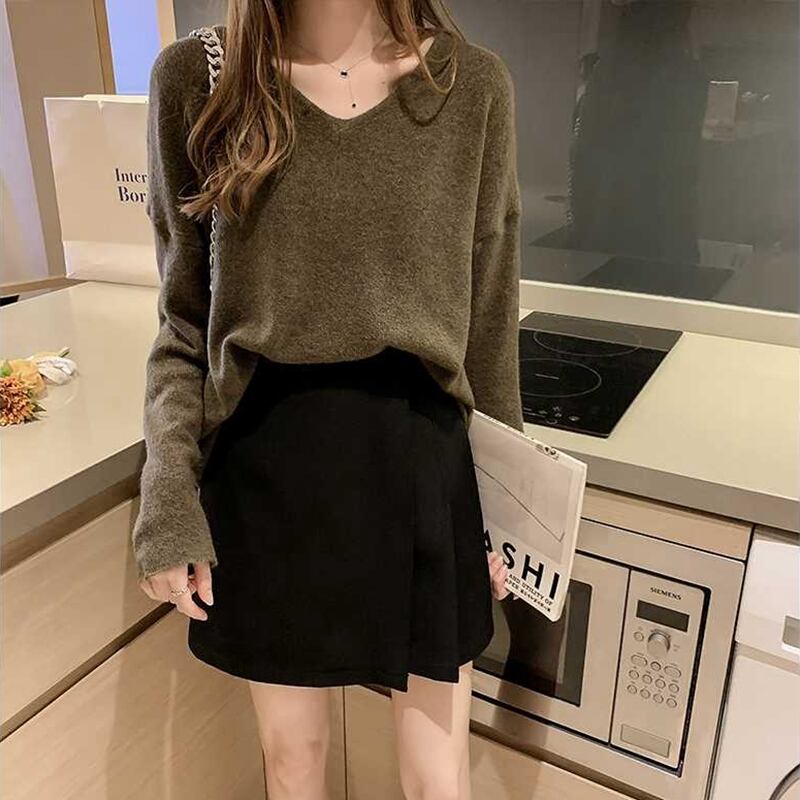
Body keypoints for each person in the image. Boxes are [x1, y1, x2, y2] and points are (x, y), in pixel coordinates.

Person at [132, 1, 523, 797]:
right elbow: (184, 322)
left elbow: (489, 321)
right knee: (293, 762)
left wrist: (513, 510)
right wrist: (167, 490)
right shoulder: (199, 80)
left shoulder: (472, 87)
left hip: (423, 462)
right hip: (268, 466)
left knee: (438, 778)